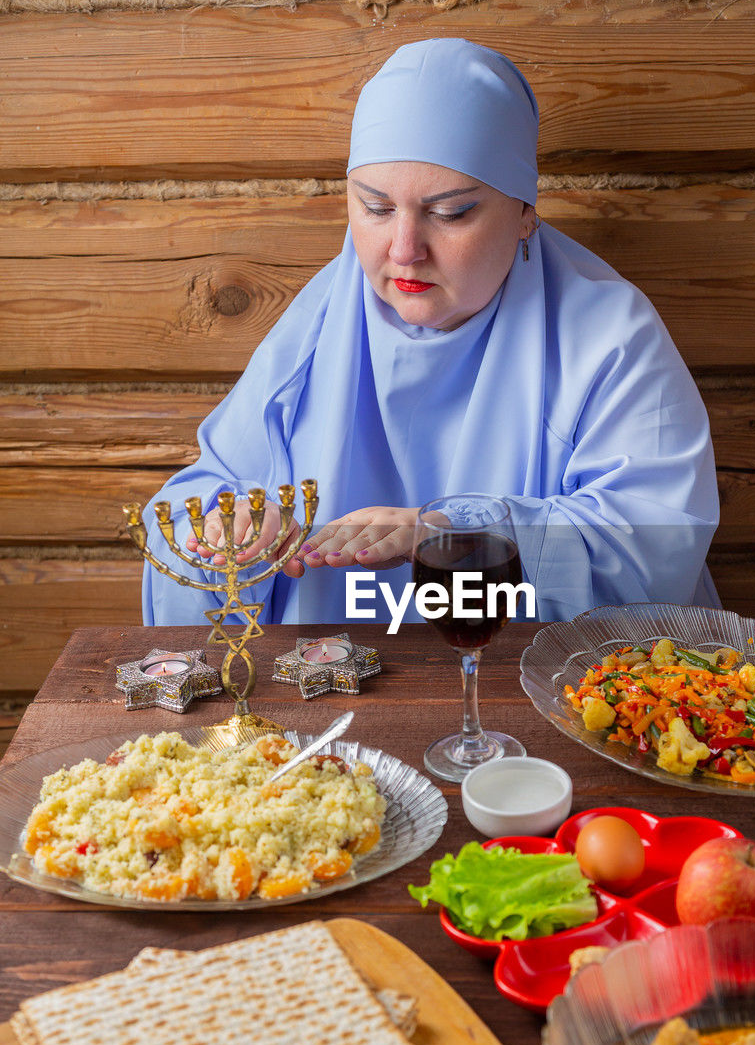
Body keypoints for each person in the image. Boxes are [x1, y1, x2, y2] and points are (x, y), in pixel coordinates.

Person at [143, 37, 719, 627]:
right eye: (375, 207)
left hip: (540, 692)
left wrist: (460, 532)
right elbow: (198, 501)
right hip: (337, 688)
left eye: (450, 214)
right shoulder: (320, 321)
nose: (404, 250)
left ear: (525, 213)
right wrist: (229, 526)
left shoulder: (611, 336)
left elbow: (655, 540)